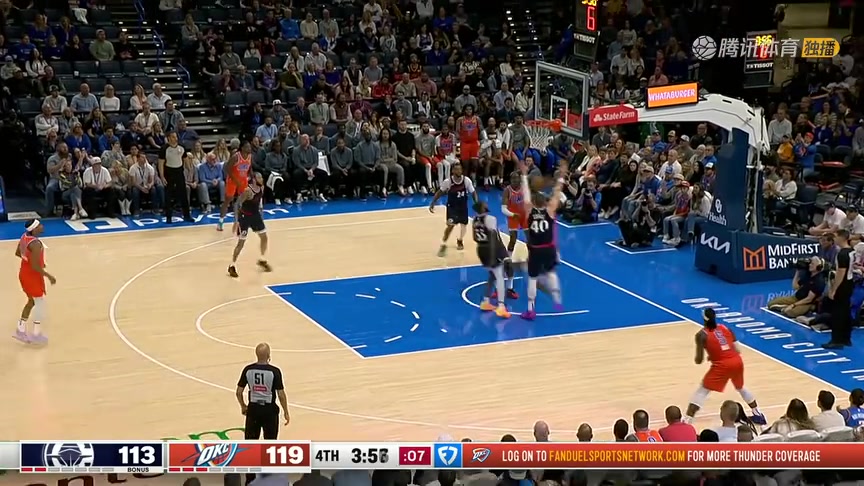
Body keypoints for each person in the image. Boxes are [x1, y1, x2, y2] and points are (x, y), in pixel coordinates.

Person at [684, 308, 767, 426]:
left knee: (702, 391)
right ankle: (758, 413)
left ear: (703, 318)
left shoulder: (701, 335)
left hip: (722, 365)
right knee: (740, 387)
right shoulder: (725, 328)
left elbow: (699, 360)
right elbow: (737, 349)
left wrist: (711, 355)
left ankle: (687, 421)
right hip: (737, 361)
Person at [236, 342, 290, 485]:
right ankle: (269, 478)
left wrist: (243, 406)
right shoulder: (274, 371)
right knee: (270, 445)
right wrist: (286, 411)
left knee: (250, 445)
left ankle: (249, 480)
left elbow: (239, 392)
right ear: (268, 355)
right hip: (269, 411)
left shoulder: (248, 369)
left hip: (253, 410)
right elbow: (281, 394)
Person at [519, 160, 567, 320]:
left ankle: (530, 309)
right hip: (549, 248)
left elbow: (525, 193)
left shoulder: (529, 210)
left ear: (534, 203)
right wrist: (561, 177)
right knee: (551, 272)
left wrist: (524, 175)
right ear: (544, 203)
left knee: (532, 278)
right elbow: (557, 193)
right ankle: (557, 300)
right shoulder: (550, 210)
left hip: (535, 249)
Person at [14, 219, 55, 344]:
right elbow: (35, 266)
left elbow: (18, 253)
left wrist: (32, 260)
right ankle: (36, 333)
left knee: (32, 301)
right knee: (39, 303)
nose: (42, 226)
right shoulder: (36, 244)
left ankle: (20, 328)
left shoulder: (24, 236)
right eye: (40, 225)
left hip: (24, 273)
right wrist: (49, 276)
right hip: (32, 276)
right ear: (34, 229)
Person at [228, 172, 272, 278]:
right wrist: (236, 221)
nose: (262, 179)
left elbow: (259, 201)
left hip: (255, 215)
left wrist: (261, 213)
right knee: (241, 243)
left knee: (264, 237)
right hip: (245, 217)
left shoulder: (262, 188)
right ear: (254, 179)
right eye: (259, 177)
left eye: (262, 177)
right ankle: (232, 265)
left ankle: (262, 260)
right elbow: (237, 204)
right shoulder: (248, 191)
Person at [471, 200, 511, 318]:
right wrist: (499, 254)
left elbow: (474, 237)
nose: (487, 204)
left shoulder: (474, 220)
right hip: (491, 249)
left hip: (481, 249)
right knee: (500, 277)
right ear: (482, 208)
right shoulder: (491, 219)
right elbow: (494, 237)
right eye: (485, 204)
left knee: (492, 276)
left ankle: (485, 301)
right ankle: (501, 307)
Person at [429, 163, 478, 257]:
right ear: (453, 171)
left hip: (463, 207)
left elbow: (473, 193)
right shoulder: (448, 182)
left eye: (460, 169)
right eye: (456, 169)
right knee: (450, 225)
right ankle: (444, 242)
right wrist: (433, 202)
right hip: (452, 207)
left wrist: (476, 203)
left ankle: (460, 240)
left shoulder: (466, 180)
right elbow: (440, 192)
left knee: (464, 225)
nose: (459, 171)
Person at [497, 171, 524, 300]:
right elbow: (503, 209)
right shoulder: (507, 191)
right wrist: (513, 215)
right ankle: (509, 258)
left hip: (523, 214)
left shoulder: (524, 188)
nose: (515, 180)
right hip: (513, 215)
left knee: (531, 237)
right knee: (513, 239)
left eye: (516, 178)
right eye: (512, 178)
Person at [826, 229, 854, 349]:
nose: (834, 239)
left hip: (842, 285)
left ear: (842, 238)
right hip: (850, 283)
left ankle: (836, 340)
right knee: (846, 311)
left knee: (838, 313)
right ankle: (846, 339)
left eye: (836, 237)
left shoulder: (842, 254)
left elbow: (840, 273)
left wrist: (833, 289)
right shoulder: (851, 251)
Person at [219, 140, 253, 232]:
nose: (249, 148)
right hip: (232, 180)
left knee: (243, 201)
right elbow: (227, 169)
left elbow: (250, 168)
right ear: (242, 148)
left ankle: (240, 222)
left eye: (250, 147)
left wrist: (251, 177)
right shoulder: (235, 157)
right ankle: (220, 222)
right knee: (228, 200)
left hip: (243, 180)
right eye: (247, 147)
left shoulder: (250, 156)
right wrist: (235, 180)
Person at [456, 104, 481, 180]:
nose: (469, 111)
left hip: (474, 143)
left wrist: (484, 139)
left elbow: (481, 129)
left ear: (472, 110)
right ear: (464, 110)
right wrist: (458, 138)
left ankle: (473, 179)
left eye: (470, 109)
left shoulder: (477, 119)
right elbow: (457, 131)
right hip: (464, 144)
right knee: (465, 165)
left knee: (475, 164)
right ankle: (465, 181)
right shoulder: (460, 119)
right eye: (467, 109)